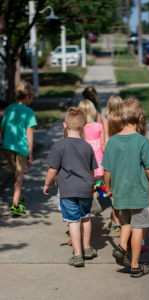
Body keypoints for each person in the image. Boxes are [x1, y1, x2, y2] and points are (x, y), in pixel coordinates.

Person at [102, 98, 149, 278]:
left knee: (125, 222)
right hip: (138, 193)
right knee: (138, 227)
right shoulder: (143, 142)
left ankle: (121, 248)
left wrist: (109, 189)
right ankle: (135, 266)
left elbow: (107, 170)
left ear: (119, 118)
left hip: (120, 192)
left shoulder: (111, 142)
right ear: (141, 118)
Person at [43, 107, 98, 267]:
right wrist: (91, 186)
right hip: (86, 189)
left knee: (73, 221)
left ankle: (78, 255)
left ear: (64, 125)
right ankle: (87, 248)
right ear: (83, 127)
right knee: (86, 217)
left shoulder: (59, 145)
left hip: (68, 191)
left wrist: (47, 184)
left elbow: (53, 168)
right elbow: (91, 170)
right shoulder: (87, 147)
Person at [0, 81, 37, 216]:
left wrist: (4, 144)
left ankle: (19, 197)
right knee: (19, 175)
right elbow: (29, 132)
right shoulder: (28, 111)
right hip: (21, 148)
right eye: (32, 98)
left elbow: (2, 128)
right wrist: (31, 152)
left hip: (8, 146)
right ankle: (15, 204)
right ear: (27, 96)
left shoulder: (9, 109)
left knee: (16, 173)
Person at [78, 100, 105, 213]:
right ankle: (95, 195)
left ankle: (88, 202)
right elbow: (103, 144)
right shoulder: (99, 126)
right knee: (98, 181)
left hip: (84, 159)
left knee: (86, 181)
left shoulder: (80, 128)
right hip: (98, 158)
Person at [107, 112, 123, 231]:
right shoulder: (125, 140)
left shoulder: (110, 142)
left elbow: (107, 166)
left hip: (114, 176)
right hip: (124, 175)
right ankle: (121, 220)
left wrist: (108, 188)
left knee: (114, 200)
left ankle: (116, 221)